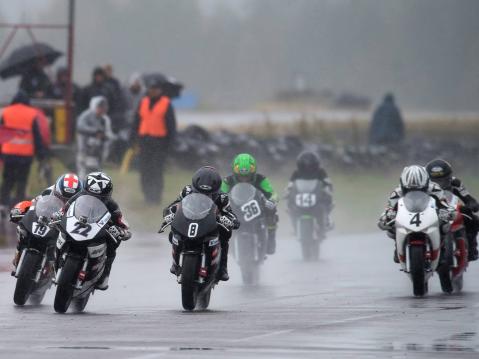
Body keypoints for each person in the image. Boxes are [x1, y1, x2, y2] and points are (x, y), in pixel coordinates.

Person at [163, 166, 239, 281]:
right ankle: (175, 263)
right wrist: (170, 212)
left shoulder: (222, 197)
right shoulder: (187, 191)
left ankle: (223, 268)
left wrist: (230, 220)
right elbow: (174, 205)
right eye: (200, 192)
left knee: (225, 234)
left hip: (211, 225)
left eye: (208, 194)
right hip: (189, 221)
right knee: (173, 233)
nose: (203, 195)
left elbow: (231, 215)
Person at [59, 172, 131, 290]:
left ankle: (105, 274)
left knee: (114, 242)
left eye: (99, 198)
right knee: (58, 228)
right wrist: (59, 214)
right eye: (89, 195)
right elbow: (64, 209)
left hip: (98, 231)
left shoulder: (112, 205)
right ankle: (55, 257)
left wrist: (122, 231)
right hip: (77, 226)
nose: (93, 199)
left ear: (107, 196)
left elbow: (121, 221)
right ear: (85, 191)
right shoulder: (77, 196)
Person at [378, 165, 455, 263]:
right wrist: (386, 216)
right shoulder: (398, 191)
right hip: (407, 215)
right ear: (403, 184)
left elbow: (444, 203)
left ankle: (442, 248)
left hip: (430, 215)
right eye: (409, 189)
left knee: (445, 225)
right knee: (391, 227)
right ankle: (397, 246)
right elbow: (389, 207)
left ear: (426, 182)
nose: (414, 191)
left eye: (420, 189)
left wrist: (446, 212)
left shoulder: (435, 188)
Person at [10, 173, 82, 273]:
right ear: (56, 191)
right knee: (22, 229)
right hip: (45, 222)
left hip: (61, 227)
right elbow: (34, 203)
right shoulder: (48, 191)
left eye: (68, 200)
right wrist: (20, 210)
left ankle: (59, 265)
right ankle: (19, 253)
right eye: (61, 197)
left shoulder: (80, 201)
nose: (64, 201)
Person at [130, 77, 177, 204]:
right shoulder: (143, 102)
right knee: (145, 170)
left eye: (155, 89)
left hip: (159, 142)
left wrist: (170, 145)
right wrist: (133, 138)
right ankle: (147, 195)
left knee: (157, 171)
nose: (153, 91)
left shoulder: (166, 103)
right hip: (144, 141)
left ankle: (156, 197)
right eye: (151, 88)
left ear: (160, 90)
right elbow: (136, 121)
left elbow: (171, 126)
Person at [221, 153, 278, 254]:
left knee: (272, 209)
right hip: (236, 207)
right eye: (241, 177)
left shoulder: (261, 179)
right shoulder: (228, 181)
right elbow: (219, 194)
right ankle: (220, 243)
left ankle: (271, 237)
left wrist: (272, 201)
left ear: (253, 173)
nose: (244, 179)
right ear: (235, 174)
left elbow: (273, 193)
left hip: (256, 207)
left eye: (247, 176)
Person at [0, 91, 49, 210]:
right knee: (22, 180)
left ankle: (3, 204)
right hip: (25, 155)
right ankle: (19, 206)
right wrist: (41, 154)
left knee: (8, 179)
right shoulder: (32, 113)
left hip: (9, 152)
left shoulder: (6, 112)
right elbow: (37, 136)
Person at [426, 159, 479, 261]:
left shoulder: (456, 183)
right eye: (435, 181)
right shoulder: (423, 185)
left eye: (443, 180)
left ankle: (472, 247)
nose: (439, 184)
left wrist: (472, 204)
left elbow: (468, 198)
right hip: (431, 211)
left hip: (452, 209)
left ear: (449, 177)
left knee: (473, 219)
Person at [285, 151, 333, 235]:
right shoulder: (296, 173)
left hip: (317, 196)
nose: (308, 167)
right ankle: (294, 225)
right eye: (305, 165)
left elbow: (327, 182)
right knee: (290, 203)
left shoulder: (321, 172)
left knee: (327, 199)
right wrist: (288, 191)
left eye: (311, 165)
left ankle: (326, 220)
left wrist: (328, 188)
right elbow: (291, 184)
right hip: (300, 196)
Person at [76, 96, 115, 178]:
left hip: (98, 152)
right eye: (100, 107)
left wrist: (106, 137)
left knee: (97, 173)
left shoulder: (105, 119)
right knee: (83, 173)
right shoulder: (86, 116)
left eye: (104, 107)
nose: (102, 109)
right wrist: (95, 132)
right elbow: (80, 127)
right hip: (84, 150)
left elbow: (109, 134)